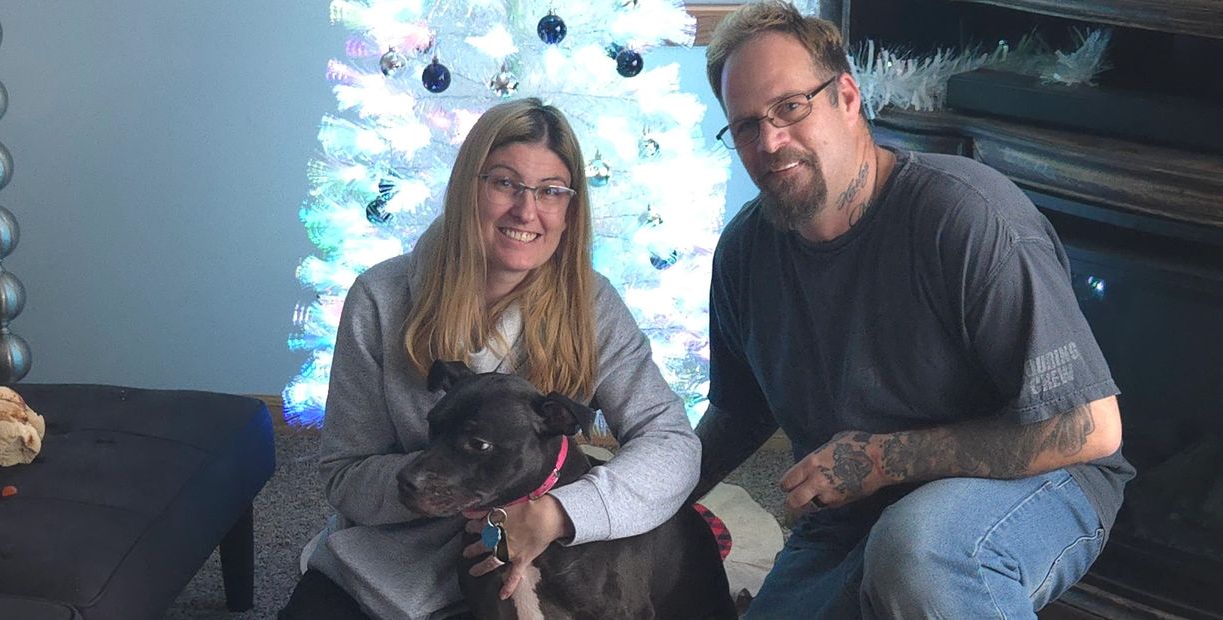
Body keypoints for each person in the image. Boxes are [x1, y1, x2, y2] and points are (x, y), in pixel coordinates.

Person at [692, 2, 1136, 618]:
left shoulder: (965, 216)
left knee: (921, 550)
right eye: (745, 126)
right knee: (897, 549)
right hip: (853, 515)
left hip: (1037, 481)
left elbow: (1092, 426)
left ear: (847, 97)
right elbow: (737, 413)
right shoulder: (744, 253)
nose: (770, 141)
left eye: (790, 108)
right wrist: (630, 506)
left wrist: (880, 458)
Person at [280, 98, 701, 619]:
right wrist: (447, 486)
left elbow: (671, 441)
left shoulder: (591, 304)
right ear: (466, 190)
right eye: (505, 183)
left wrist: (559, 513)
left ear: (569, 209)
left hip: (545, 552)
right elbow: (344, 475)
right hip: (392, 561)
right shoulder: (380, 298)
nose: (526, 211)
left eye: (550, 191)